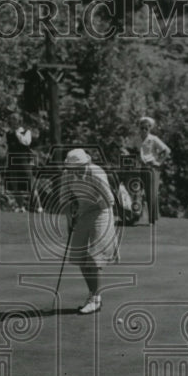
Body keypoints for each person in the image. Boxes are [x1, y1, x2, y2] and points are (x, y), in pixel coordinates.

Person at [61, 148, 119, 314]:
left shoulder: (96, 173)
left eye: (79, 166)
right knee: (80, 256)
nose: (76, 170)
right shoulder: (67, 175)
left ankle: (95, 298)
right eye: (73, 168)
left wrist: (84, 211)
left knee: (94, 256)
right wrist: (69, 220)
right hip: (83, 210)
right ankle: (93, 295)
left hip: (102, 210)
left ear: (86, 163)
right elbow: (65, 199)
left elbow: (108, 200)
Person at [128, 116, 170, 224]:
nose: (143, 130)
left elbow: (166, 150)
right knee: (136, 192)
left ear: (149, 128)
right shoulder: (136, 139)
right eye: (142, 128)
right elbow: (130, 150)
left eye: (146, 128)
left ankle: (152, 219)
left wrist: (158, 162)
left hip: (150, 167)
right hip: (138, 167)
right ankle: (136, 215)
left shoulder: (153, 139)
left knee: (151, 193)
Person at [4, 112, 42, 212]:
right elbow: (1, 144)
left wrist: (17, 134)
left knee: (31, 185)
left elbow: (26, 142)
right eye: (11, 119)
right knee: (15, 185)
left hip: (24, 161)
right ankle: (21, 207)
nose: (12, 121)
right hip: (12, 162)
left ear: (19, 121)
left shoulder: (26, 132)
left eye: (14, 119)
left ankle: (38, 207)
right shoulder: (8, 134)